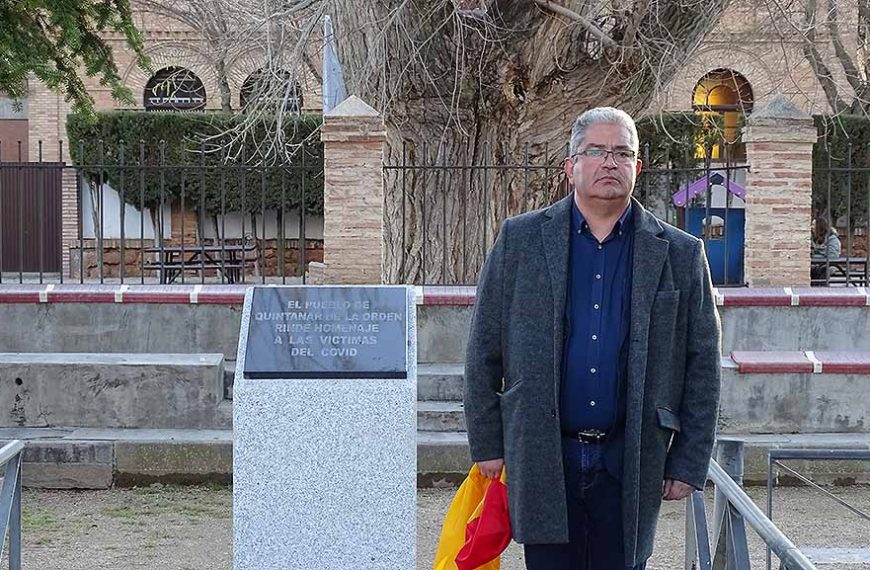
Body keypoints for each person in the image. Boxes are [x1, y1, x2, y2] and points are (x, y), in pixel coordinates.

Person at [463, 107, 722, 570]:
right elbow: (484, 347)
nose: (609, 162)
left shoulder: (681, 253)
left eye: (622, 152)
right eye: (596, 151)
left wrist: (688, 462)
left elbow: (702, 363)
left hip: (632, 456)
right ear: (571, 166)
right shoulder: (520, 240)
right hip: (544, 452)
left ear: (637, 168)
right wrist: (488, 444)